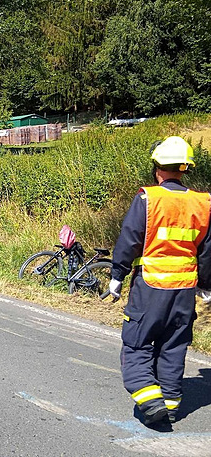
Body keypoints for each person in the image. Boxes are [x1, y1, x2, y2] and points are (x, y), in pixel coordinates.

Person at [107, 136, 211, 426]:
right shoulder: (203, 203)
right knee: (173, 346)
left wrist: (117, 275)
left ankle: (151, 402)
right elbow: (207, 250)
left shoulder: (148, 198)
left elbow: (130, 239)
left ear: (157, 167)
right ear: (185, 168)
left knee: (137, 344)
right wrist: (206, 284)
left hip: (150, 287)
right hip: (185, 291)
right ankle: (171, 404)